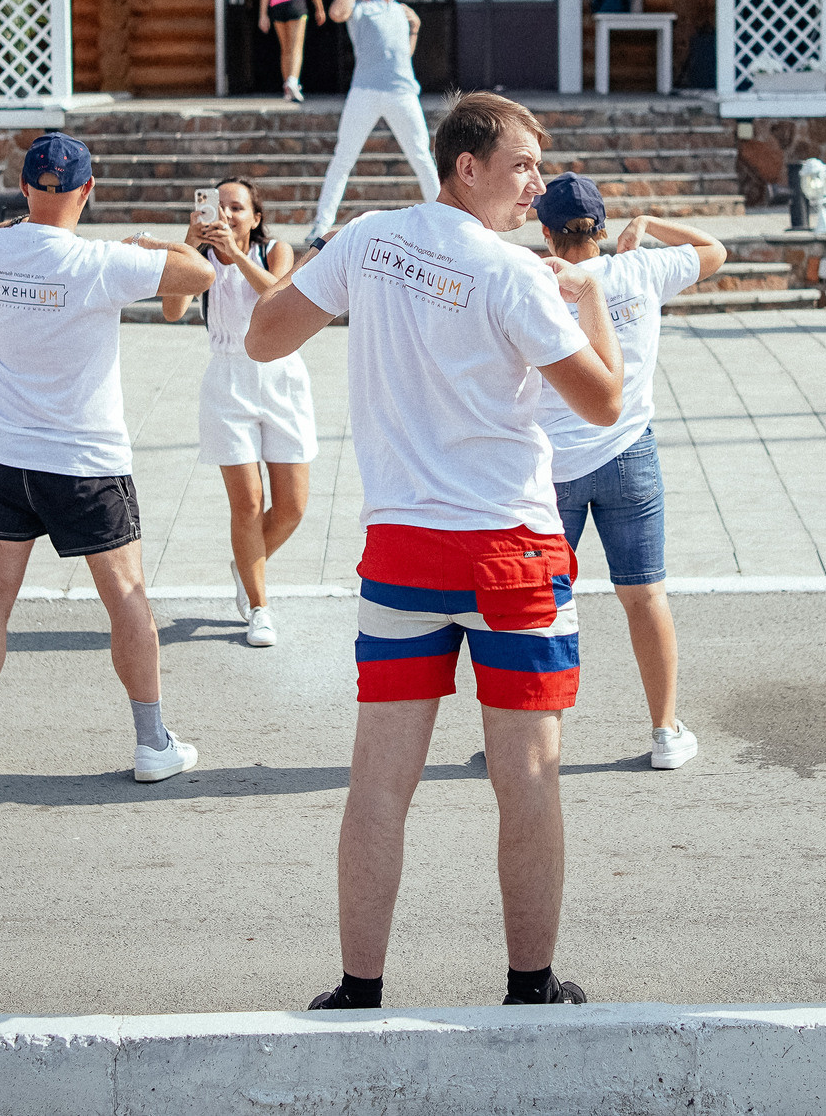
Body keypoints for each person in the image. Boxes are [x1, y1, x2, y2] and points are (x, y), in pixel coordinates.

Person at [246, 92, 624, 1011]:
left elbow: (262, 337)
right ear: (467, 166)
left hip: (403, 549)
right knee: (526, 775)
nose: (537, 182)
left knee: (379, 780)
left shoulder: (370, 237)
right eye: (523, 164)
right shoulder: (516, 275)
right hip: (510, 549)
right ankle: (530, 987)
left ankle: (358, 988)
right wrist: (591, 293)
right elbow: (605, 400)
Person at [0, 133, 215, 785]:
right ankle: (152, 742)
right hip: (87, 462)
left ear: (24, 186)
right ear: (87, 190)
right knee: (126, 599)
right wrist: (149, 243)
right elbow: (200, 274)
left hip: (9, 458)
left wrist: (16, 225)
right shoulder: (103, 260)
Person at [533, 173, 724, 769]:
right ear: (601, 226)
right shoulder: (642, 270)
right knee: (645, 595)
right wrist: (648, 224)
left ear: (546, 232)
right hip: (629, 454)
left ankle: (526, 738)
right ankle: (666, 732)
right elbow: (715, 250)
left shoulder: (535, 283)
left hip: (553, 465)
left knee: (540, 606)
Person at [159, 177, 315, 649]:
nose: (225, 215)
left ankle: (247, 563)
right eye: (218, 206)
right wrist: (190, 245)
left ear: (255, 217)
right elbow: (172, 311)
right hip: (227, 381)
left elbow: (279, 296)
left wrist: (237, 255)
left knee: (291, 508)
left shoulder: (275, 251)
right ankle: (259, 606)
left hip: (282, 378)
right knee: (247, 502)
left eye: (236, 208)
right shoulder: (201, 260)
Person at [308, 0, 440, 240]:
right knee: (343, 157)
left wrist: (415, 29)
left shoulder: (401, 10)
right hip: (364, 91)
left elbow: (403, 56)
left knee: (421, 156)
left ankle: (442, 219)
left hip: (403, 92)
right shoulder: (360, 6)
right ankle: (321, 224)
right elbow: (336, 13)